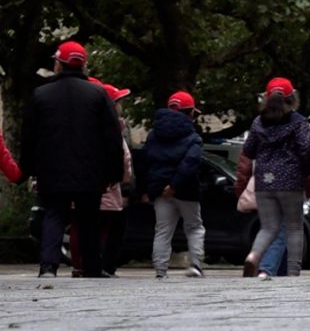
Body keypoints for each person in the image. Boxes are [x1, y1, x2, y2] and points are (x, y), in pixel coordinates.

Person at [20, 40, 124, 278]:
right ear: (83, 65)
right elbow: (112, 139)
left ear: (59, 63)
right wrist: (114, 173)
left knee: (54, 214)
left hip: (52, 168)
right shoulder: (98, 94)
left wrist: (28, 167)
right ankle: (92, 267)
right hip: (90, 170)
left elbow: (29, 136)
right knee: (88, 218)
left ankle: (48, 266)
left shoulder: (41, 94)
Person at [240, 77, 310, 277]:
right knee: (294, 228)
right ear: (292, 99)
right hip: (290, 181)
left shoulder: (258, 123)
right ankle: (293, 272)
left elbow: (248, 150)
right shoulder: (298, 122)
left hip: (264, 181)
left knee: (268, 227)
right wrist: (308, 173)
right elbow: (306, 148)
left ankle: (253, 257)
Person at [67, 81, 133, 278]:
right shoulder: (112, 127)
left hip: (80, 183)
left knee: (79, 226)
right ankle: (98, 264)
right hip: (107, 187)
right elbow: (124, 158)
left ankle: (79, 264)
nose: (121, 105)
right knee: (103, 229)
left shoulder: (80, 126)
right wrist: (123, 179)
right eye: (119, 101)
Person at [138, 91, 205, 278]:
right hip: (186, 189)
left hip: (159, 190)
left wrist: (145, 189)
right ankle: (196, 265)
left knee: (163, 230)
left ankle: (160, 270)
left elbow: (143, 162)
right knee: (194, 227)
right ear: (190, 112)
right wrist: (175, 184)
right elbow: (190, 162)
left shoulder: (153, 135)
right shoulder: (193, 136)